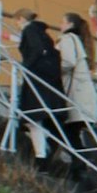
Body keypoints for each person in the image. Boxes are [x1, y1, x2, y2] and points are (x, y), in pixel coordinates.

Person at [15, 10, 65, 164]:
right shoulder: (42, 32)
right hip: (48, 80)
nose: (17, 25)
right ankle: (45, 147)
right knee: (36, 118)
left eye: (17, 21)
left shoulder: (29, 30)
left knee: (32, 118)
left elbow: (36, 49)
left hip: (36, 80)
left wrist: (26, 66)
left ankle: (41, 155)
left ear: (21, 19)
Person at [58, 10, 97, 155]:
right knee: (71, 133)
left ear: (70, 24)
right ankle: (81, 161)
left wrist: (51, 69)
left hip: (75, 96)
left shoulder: (67, 39)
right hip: (84, 97)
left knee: (66, 132)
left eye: (62, 22)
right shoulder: (79, 40)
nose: (60, 25)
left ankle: (82, 159)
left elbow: (68, 62)